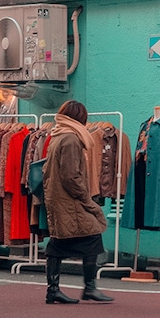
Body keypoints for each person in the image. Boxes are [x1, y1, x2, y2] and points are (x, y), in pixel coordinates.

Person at [42, 100, 112, 305]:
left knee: (58, 242)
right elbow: (70, 176)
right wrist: (85, 198)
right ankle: (89, 287)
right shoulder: (71, 139)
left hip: (58, 198)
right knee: (92, 234)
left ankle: (54, 290)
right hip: (69, 199)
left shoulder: (58, 135)